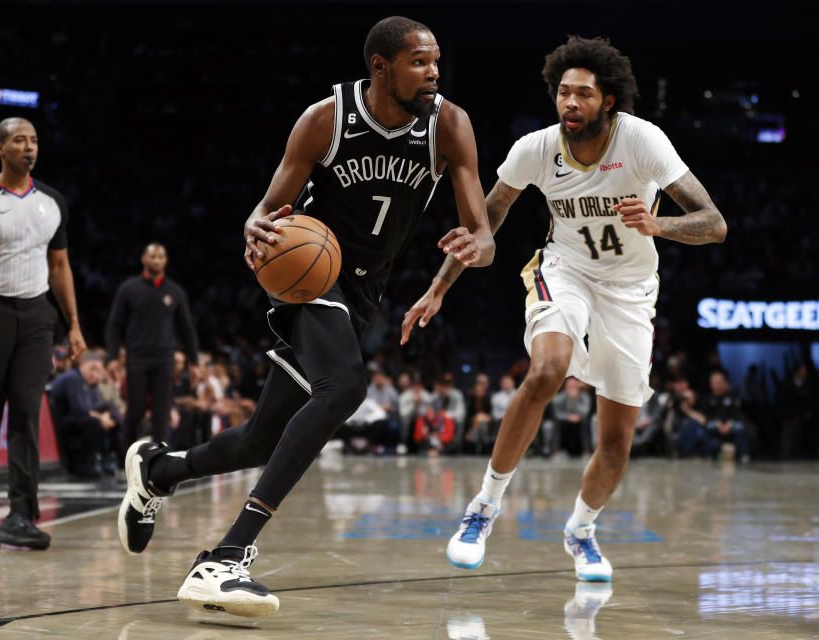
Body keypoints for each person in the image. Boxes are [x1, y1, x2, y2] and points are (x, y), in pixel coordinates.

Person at [116, 15, 494, 618]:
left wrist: (479, 248)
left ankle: (158, 469)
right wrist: (253, 224)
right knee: (344, 387)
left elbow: (483, 231)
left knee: (263, 438)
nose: (433, 73)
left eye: (436, 61)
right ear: (381, 67)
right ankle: (225, 557)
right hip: (311, 274)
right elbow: (267, 208)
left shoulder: (449, 125)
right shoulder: (326, 118)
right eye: (420, 61)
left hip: (365, 292)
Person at [402, 36, 727, 581]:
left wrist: (659, 224)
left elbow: (714, 223)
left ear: (609, 102)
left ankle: (581, 529)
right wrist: (440, 286)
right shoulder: (536, 148)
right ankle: (483, 507)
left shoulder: (644, 141)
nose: (569, 103)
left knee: (618, 443)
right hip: (565, 271)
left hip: (630, 290)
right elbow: (488, 219)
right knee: (547, 369)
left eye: (582, 94)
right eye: (562, 92)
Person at [0, 117, 86, 549]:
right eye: (20, 140)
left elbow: (60, 266)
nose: (30, 147)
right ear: (0, 148)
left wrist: (74, 325)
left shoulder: (52, 202)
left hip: (37, 317)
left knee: (26, 411)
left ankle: (22, 516)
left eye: (35, 141)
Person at [105, 243, 199, 450]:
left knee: (162, 413)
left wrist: (194, 362)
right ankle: (126, 457)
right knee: (135, 411)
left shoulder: (175, 292)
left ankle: (159, 459)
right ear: (143, 259)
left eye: (160, 256)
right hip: (136, 357)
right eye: (152, 256)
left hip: (165, 358)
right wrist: (111, 357)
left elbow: (187, 330)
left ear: (166, 260)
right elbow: (114, 325)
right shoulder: (128, 289)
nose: (156, 260)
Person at [49, 353, 121, 477]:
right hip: (60, 422)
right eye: (92, 368)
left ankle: (110, 459)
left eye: (97, 369)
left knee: (108, 409)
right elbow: (78, 409)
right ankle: (87, 465)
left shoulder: (83, 380)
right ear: (82, 364)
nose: (95, 373)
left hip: (74, 416)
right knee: (94, 422)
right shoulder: (72, 378)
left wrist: (103, 417)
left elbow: (88, 407)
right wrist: (100, 418)